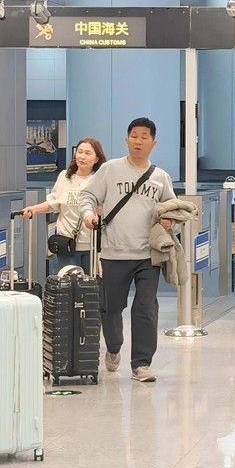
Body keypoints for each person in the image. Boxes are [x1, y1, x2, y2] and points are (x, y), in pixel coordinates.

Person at [79, 117, 175, 383]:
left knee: (146, 308)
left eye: (144, 137)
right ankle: (113, 347)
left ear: (153, 142)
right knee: (111, 308)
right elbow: (88, 195)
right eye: (134, 136)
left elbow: (173, 208)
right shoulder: (110, 169)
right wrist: (88, 214)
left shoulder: (160, 177)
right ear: (126, 140)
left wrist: (170, 220)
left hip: (148, 255)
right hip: (114, 252)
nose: (138, 141)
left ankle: (141, 364)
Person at [21, 137, 107, 275]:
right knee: (67, 284)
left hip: (91, 244)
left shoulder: (100, 180)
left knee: (89, 285)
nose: (82, 156)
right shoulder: (65, 176)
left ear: (97, 158)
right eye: (80, 152)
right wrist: (34, 209)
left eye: (88, 153)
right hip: (66, 243)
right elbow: (53, 203)